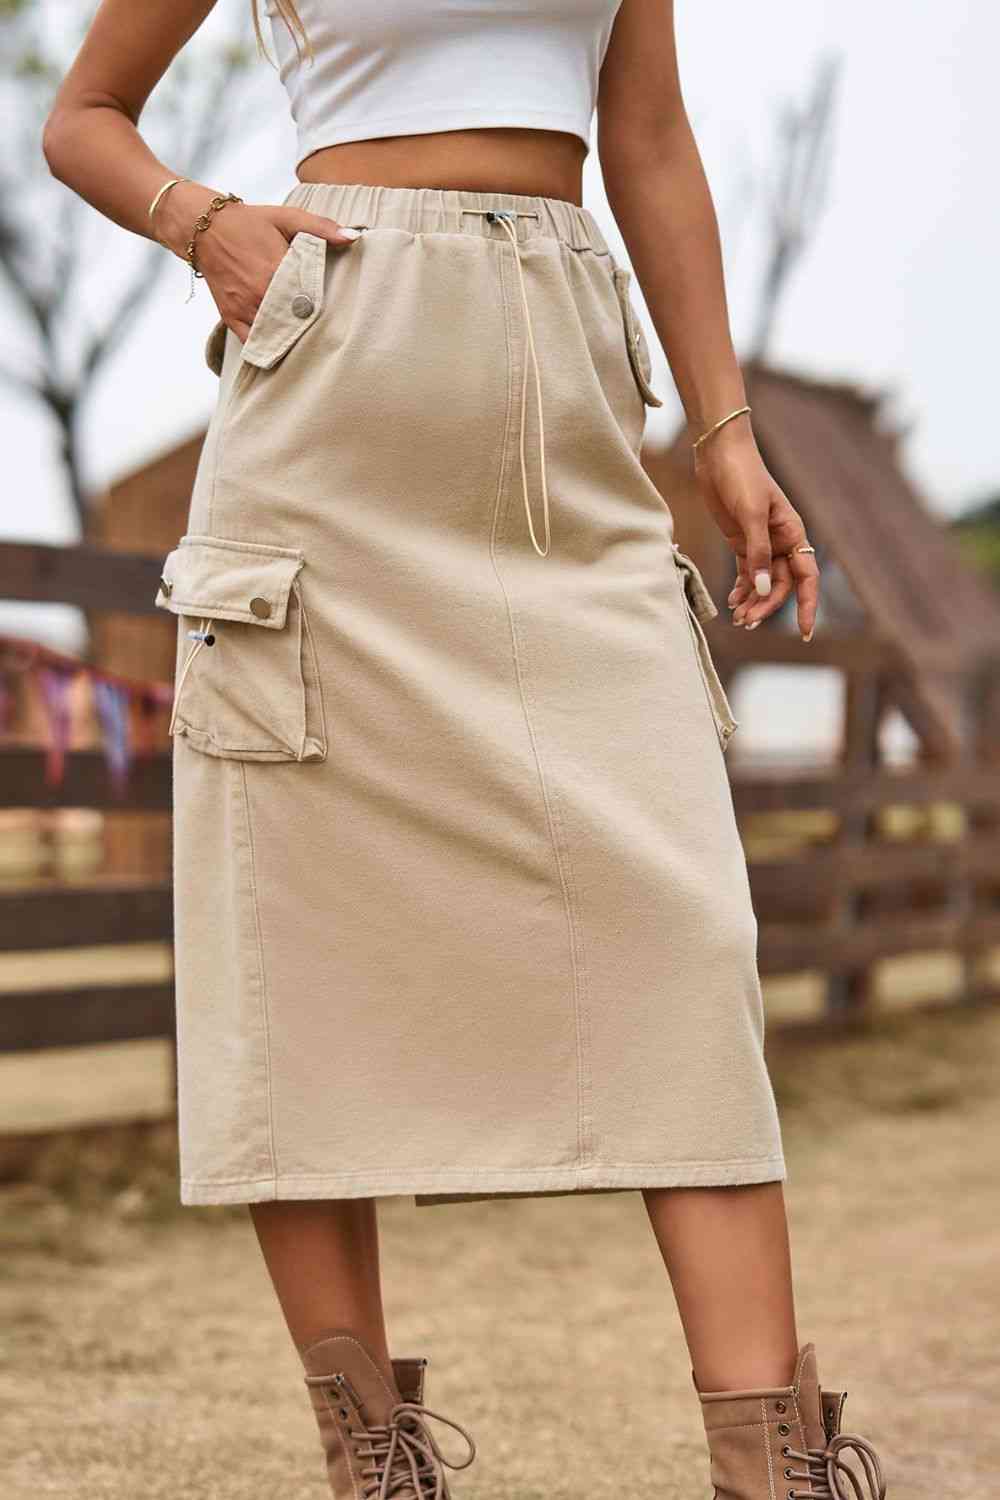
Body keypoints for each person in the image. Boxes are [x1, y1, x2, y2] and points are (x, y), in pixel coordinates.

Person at [43, 1, 887, 1495]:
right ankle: (376, 1466)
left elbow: (648, 139)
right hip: (333, 372)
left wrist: (726, 433)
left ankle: (776, 1472)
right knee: (299, 932)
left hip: (568, 392)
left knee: (687, 929)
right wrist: (207, 225)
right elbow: (83, 118)